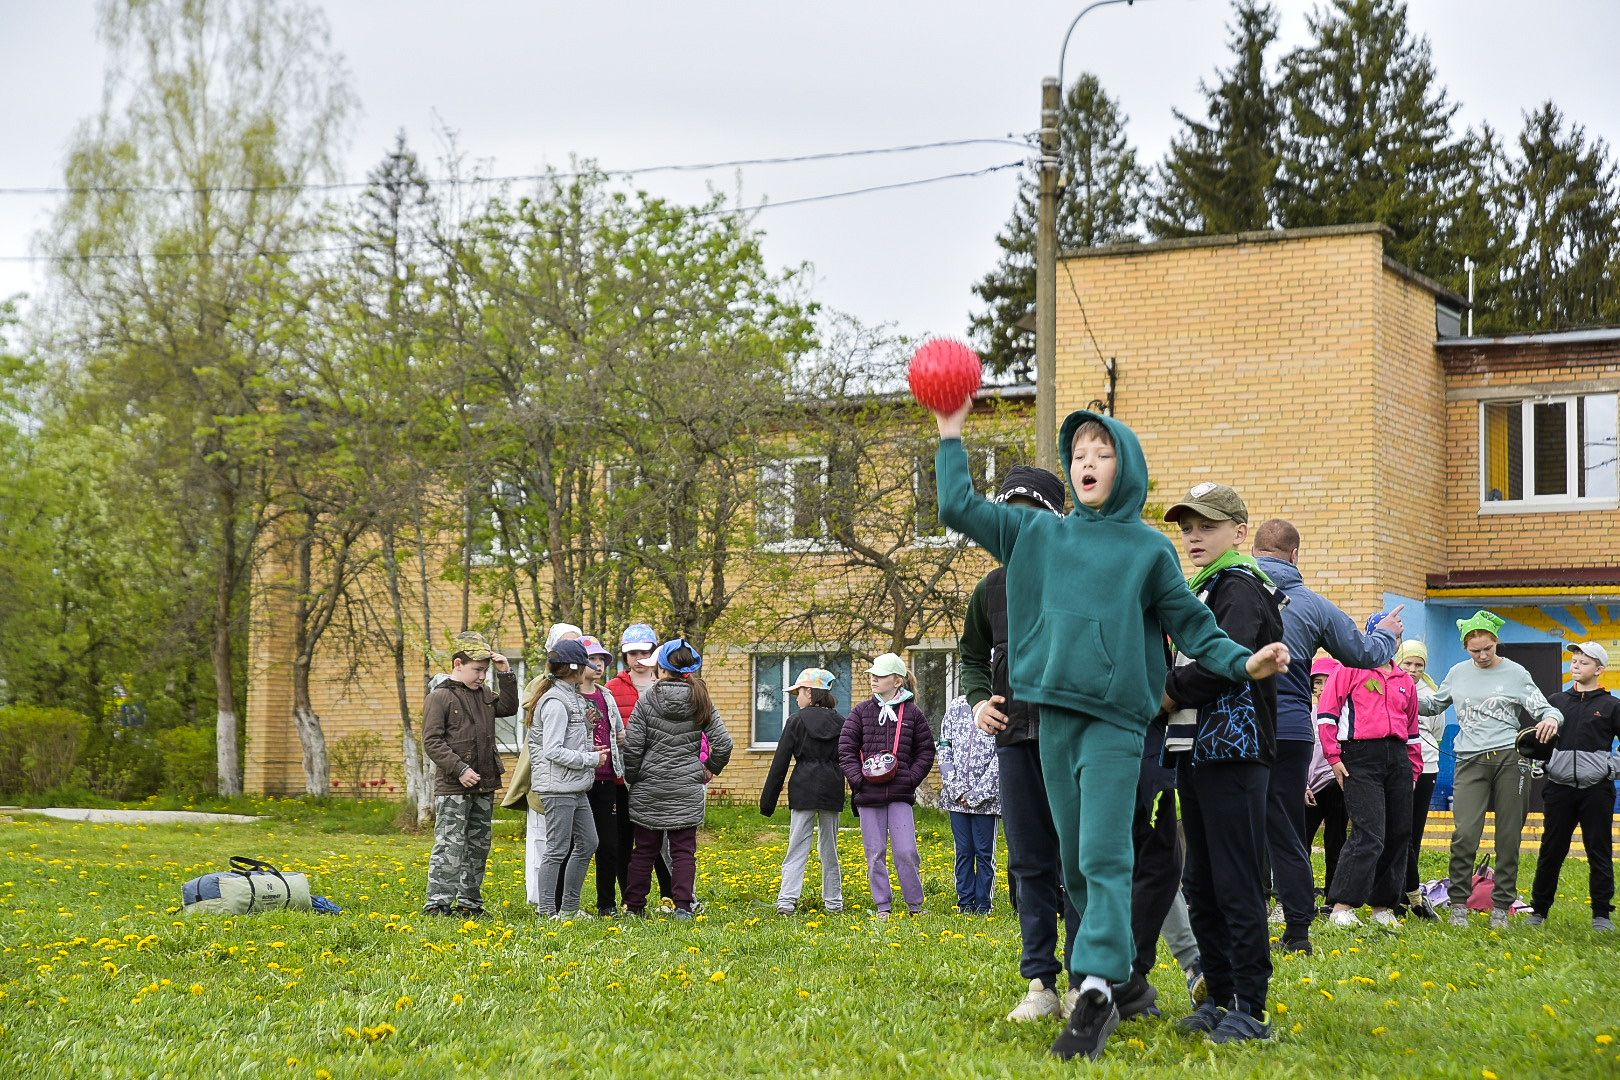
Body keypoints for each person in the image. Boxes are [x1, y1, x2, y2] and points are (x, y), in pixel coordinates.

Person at [932, 398, 1289, 1062]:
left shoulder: (1149, 549)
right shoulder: (1037, 534)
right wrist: (951, 430)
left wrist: (1246, 661)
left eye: (1103, 453)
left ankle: (1095, 988)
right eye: (1079, 455)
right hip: (1053, 717)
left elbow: (1194, 625)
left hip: (1118, 721)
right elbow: (958, 508)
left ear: (1128, 468)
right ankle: (1096, 975)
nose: (1088, 463)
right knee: (1073, 865)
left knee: (1103, 852)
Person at [1161, 484, 1287, 1046]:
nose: (1193, 536)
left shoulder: (1240, 587)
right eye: (1187, 526)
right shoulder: (1202, 589)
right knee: (1201, 881)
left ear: (1239, 533)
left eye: (1207, 526)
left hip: (1233, 751)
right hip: (1196, 750)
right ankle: (1217, 994)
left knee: (1236, 881)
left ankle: (1251, 1007)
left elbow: (1221, 663)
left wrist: (1163, 694)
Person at [958, 464, 1083, 1022]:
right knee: (1029, 862)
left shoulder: (1082, 576)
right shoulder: (991, 589)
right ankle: (1040, 983)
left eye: (1031, 517)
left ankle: (1085, 979)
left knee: (1078, 860)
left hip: (1072, 740)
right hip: (1014, 742)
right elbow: (969, 656)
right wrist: (980, 701)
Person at [1252, 519, 1401, 955]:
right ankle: (1298, 932)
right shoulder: (1314, 605)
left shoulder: (1226, 591)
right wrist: (1386, 635)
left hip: (1237, 725)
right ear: (1295, 556)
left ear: (1254, 550)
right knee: (1286, 832)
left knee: (1235, 827)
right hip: (1293, 728)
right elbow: (1364, 654)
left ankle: (1237, 921)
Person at [1418, 611, 1562, 930]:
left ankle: (1501, 905)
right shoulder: (1457, 673)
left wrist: (1551, 719)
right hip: (1470, 760)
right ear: (1465, 648)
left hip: (1512, 759)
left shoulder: (1516, 673)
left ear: (1496, 642)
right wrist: (1402, 694)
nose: (1482, 656)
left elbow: (1545, 708)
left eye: (1488, 649)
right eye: (1475, 650)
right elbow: (1434, 705)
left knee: (1508, 836)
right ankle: (1458, 903)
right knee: (1465, 834)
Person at [1315, 613, 1423, 929]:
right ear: (1370, 638)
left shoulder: (1405, 680)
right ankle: (1342, 906)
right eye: (1385, 635)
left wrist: (1413, 769)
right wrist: (1334, 758)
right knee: (1370, 832)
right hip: (1360, 756)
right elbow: (1326, 716)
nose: (1391, 644)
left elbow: (1413, 729)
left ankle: (1383, 907)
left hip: (1398, 759)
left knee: (1399, 833)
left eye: (1396, 638)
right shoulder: (1350, 669)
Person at [622, 638, 733, 919]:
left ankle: (635, 906)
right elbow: (724, 743)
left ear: (660, 668)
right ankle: (683, 906)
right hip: (686, 785)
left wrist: (634, 778)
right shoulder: (700, 699)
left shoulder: (647, 699)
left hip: (650, 785)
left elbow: (633, 745)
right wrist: (709, 768)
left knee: (644, 849)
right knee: (684, 850)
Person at [421, 630, 518, 917]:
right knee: (450, 845)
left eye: (485, 671)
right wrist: (460, 769)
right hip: (454, 786)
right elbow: (432, 742)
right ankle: (438, 903)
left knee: (478, 847)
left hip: (484, 784)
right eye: (477, 670)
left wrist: (506, 674)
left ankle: (470, 903)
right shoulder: (440, 697)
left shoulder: (485, 695)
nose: (481, 676)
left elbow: (510, 707)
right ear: (457, 664)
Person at [1529, 642, 1619, 932]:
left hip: (1597, 791)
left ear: (1599, 669)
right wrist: (1543, 764)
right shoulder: (1555, 702)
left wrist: (1610, 768)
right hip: (1559, 788)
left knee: (1599, 850)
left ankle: (1601, 915)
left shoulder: (1611, 705)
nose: (1576, 666)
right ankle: (1539, 911)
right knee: (1551, 850)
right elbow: (1540, 742)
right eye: (1575, 660)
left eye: (1584, 662)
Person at [839, 653, 936, 919]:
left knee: (906, 851)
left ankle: (915, 905)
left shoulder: (913, 714)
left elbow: (926, 751)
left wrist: (909, 778)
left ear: (897, 680)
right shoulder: (860, 712)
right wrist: (858, 781)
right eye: (872, 675)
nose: (873, 679)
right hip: (868, 796)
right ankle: (883, 905)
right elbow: (846, 750)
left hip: (900, 795)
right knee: (875, 852)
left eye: (880, 676)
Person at [530, 639, 611, 919]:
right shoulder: (554, 701)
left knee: (588, 842)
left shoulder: (572, 697)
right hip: (557, 787)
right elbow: (552, 751)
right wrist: (591, 759)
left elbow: (570, 742)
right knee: (557, 850)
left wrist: (589, 738)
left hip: (575, 785)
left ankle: (569, 909)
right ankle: (547, 912)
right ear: (573, 668)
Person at [759, 667, 847, 915]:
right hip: (832, 788)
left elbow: (781, 762)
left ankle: (787, 901)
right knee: (829, 848)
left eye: (798, 692)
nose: (796, 697)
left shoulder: (795, 721)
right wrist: (857, 799)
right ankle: (834, 902)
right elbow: (850, 760)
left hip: (803, 788)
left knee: (797, 846)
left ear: (809, 692)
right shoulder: (842, 722)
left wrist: (768, 802)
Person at [605, 623, 677, 912]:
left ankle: (670, 894)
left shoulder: (668, 685)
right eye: (632, 653)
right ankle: (630, 898)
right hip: (624, 776)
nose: (637, 658)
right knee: (625, 839)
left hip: (661, 775)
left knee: (661, 840)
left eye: (643, 652)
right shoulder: (611, 689)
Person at [578, 635, 629, 916]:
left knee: (609, 844)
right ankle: (564, 901)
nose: (598, 665)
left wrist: (621, 737)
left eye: (601, 660)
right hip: (578, 781)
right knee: (578, 843)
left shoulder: (605, 695)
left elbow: (617, 732)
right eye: (592, 660)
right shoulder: (569, 696)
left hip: (608, 777)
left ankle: (606, 904)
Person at [937, 693, 1001, 915]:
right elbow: (944, 745)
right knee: (963, 851)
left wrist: (979, 793)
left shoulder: (999, 707)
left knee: (984, 852)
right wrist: (956, 788)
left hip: (987, 800)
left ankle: (984, 904)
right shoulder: (955, 706)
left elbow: (1001, 755)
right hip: (957, 800)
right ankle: (965, 903)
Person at [1395, 640, 1445, 919]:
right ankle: (1405, 893)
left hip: (1425, 768)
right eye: (1408, 664)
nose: (1413, 670)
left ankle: (1406, 895)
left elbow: (1436, 732)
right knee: (1397, 832)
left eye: (1419, 665)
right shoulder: (1390, 686)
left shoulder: (1432, 694)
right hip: (1397, 768)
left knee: (1413, 833)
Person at [1304, 659, 1348, 903]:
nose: (1321, 687)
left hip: (1337, 783)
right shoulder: (1305, 714)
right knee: (1302, 843)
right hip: (1310, 787)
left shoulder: (1344, 716)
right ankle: (1303, 893)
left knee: (1336, 842)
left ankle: (1334, 897)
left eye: (1327, 681)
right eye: (1317, 682)